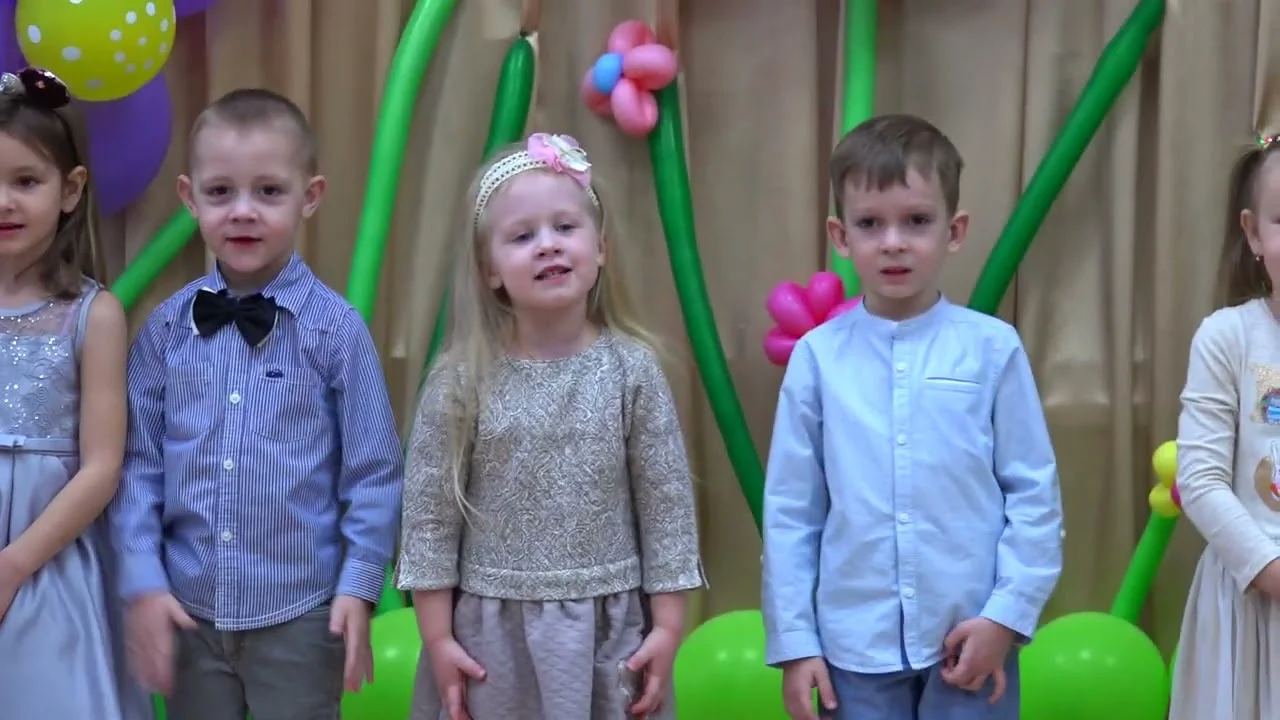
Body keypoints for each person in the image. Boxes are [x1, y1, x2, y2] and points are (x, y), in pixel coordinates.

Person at [109, 88, 404, 719]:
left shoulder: (336, 330)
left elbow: (374, 472)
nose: (243, 211)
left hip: (302, 614)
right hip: (186, 610)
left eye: (269, 191)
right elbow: (138, 469)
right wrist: (142, 581)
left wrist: (359, 587)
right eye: (221, 192)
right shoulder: (164, 332)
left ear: (310, 196)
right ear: (190, 198)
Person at [761, 113, 1064, 720]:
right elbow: (792, 511)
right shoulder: (818, 358)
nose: (893, 242)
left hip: (971, 635)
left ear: (954, 231)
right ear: (841, 236)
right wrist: (796, 642)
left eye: (917, 221)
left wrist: (1007, 615)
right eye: (870, 223)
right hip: (853, 647)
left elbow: (1033, 493)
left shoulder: (992, 349)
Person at [396, 132, 705, 720]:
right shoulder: (460, 380)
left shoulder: (632, 370)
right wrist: (437, 639)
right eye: (522, 236)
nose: (548, 245)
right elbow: (430, 520)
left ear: (601, 248)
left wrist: (667, 628)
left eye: (565, 227)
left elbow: (667, 509)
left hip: (610, 635)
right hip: (492, 642)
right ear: (489, 269)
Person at [0, 66, 148, 720]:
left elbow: (101, 467)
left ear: (70, 189)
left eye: (25, 181)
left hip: (47, 558)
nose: (4, 202)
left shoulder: (94, 315)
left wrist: (14, 565)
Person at [1168, 131, 1280, 717]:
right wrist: (1268, 568)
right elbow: (1201, 480)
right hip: (1249, 598)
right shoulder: (1227, 336)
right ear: (1253, 233)